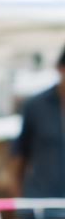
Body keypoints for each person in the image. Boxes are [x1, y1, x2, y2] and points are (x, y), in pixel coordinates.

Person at [11, 44, 65, 199]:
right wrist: (17, 201)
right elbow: (19, 156)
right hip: (40, 202)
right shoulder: (35, 106)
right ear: (60, 68)